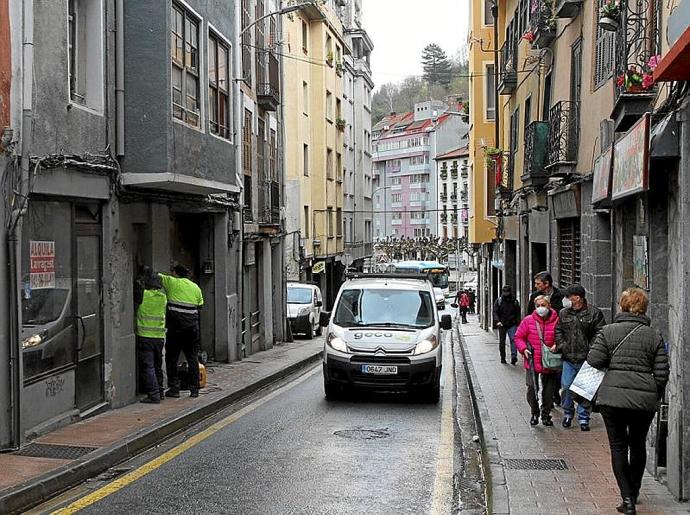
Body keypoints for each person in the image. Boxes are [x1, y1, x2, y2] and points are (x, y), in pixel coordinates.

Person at [586, 288, 668, 514]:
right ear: (643, 308)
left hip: (612, 398)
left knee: (618, 446)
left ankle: (627, 499)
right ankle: (635, 490)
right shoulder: (654, 336)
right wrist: (653, 393)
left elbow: (593, 360)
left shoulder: (608, 331)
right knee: (638, 444)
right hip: (643, 400)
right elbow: (661, 373)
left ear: (622, 306)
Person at [554, 284, 606, 431]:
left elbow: (600, 333)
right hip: (568, 358)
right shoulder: (564, 313)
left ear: (577, 298)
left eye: (568, 296)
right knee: (566, 387)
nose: (566, 299)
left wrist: (591, 350)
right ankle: (568, 413)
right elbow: (558, 331)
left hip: (586, 359)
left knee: (585, 389)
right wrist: (562, 345)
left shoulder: (594, 313)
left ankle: (584, 417)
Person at [160, 264, 204, 398]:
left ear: (175, 273)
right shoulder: (195, 287)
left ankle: (174, 388)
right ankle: (194, 389)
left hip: (175, 329)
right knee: (192, 358)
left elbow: (154, 275)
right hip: (192, 330)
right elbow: (200, 306)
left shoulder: (171, 282)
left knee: (172, 358)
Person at [515, 295, 560, 426]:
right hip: (532, 360)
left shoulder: (557, 321)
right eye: (538, 306)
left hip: (549, 361)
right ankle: (534, 412)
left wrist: (557, 345)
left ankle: (546, 414)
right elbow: (518, 337)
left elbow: (562, 336)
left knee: (548, 390)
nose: (541, 308)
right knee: (531, 388)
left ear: (549, 306)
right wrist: (523, 349)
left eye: (543, 305)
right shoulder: (528, 321)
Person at [135, 268, 167, 403]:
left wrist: (139, 279)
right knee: (157, 365)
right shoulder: (163, 297)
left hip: (145, 336)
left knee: (148, 367)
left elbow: (137, 290)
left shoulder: (144, 295)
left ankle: (153, 395)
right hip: (159, 337)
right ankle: (160, 392)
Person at [492, 285, 521, 365]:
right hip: (502, 324)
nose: (506, 293)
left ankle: (513, 357)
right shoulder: (499, 301)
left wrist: (518, 323)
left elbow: (517, 313)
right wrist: (497, 321)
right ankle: (503, 357)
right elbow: (495, 312)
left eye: (507, 292)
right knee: (502, 342)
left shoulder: (514, 301)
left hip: (512, 324)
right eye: (504, 292)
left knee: (513, 340)